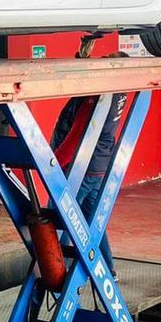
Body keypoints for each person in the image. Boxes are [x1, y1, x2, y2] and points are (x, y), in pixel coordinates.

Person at [49, 41, 130, 280]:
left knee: (62, 217)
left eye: (106, 59)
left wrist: (53, 163)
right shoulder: (118, 91)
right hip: (98, 167)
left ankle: (59, 271)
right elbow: (85, 79)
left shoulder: (98, 98)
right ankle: (107, 269)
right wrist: (82, 56)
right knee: (93, 220)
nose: (101, 60)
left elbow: (78, 136)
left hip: (81, 167)